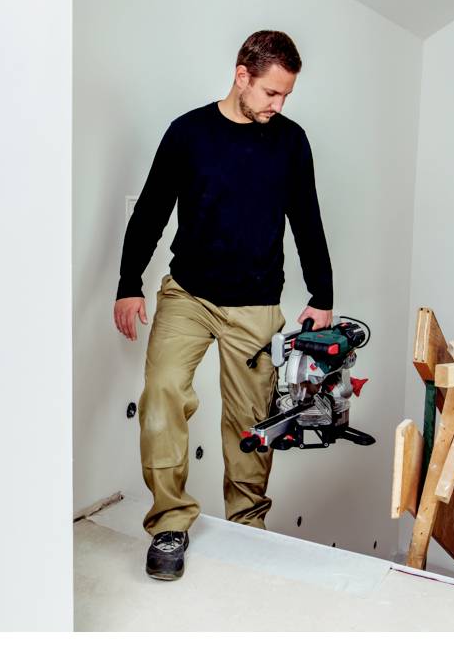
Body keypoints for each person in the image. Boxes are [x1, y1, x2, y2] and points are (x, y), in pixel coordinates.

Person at [113, 30, 333, 581]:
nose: (278, 105)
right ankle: (169, 522)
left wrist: (322, 295)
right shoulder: (188, 133)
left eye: (286, 95)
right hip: (188, 294)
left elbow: (307, 218)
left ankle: (246, 528)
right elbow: (152, 210)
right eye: (271, 93)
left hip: (256, 303)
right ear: (241, 76)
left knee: (252, 424)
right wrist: (128, 282)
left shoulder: (291, 142)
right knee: (162, 391)